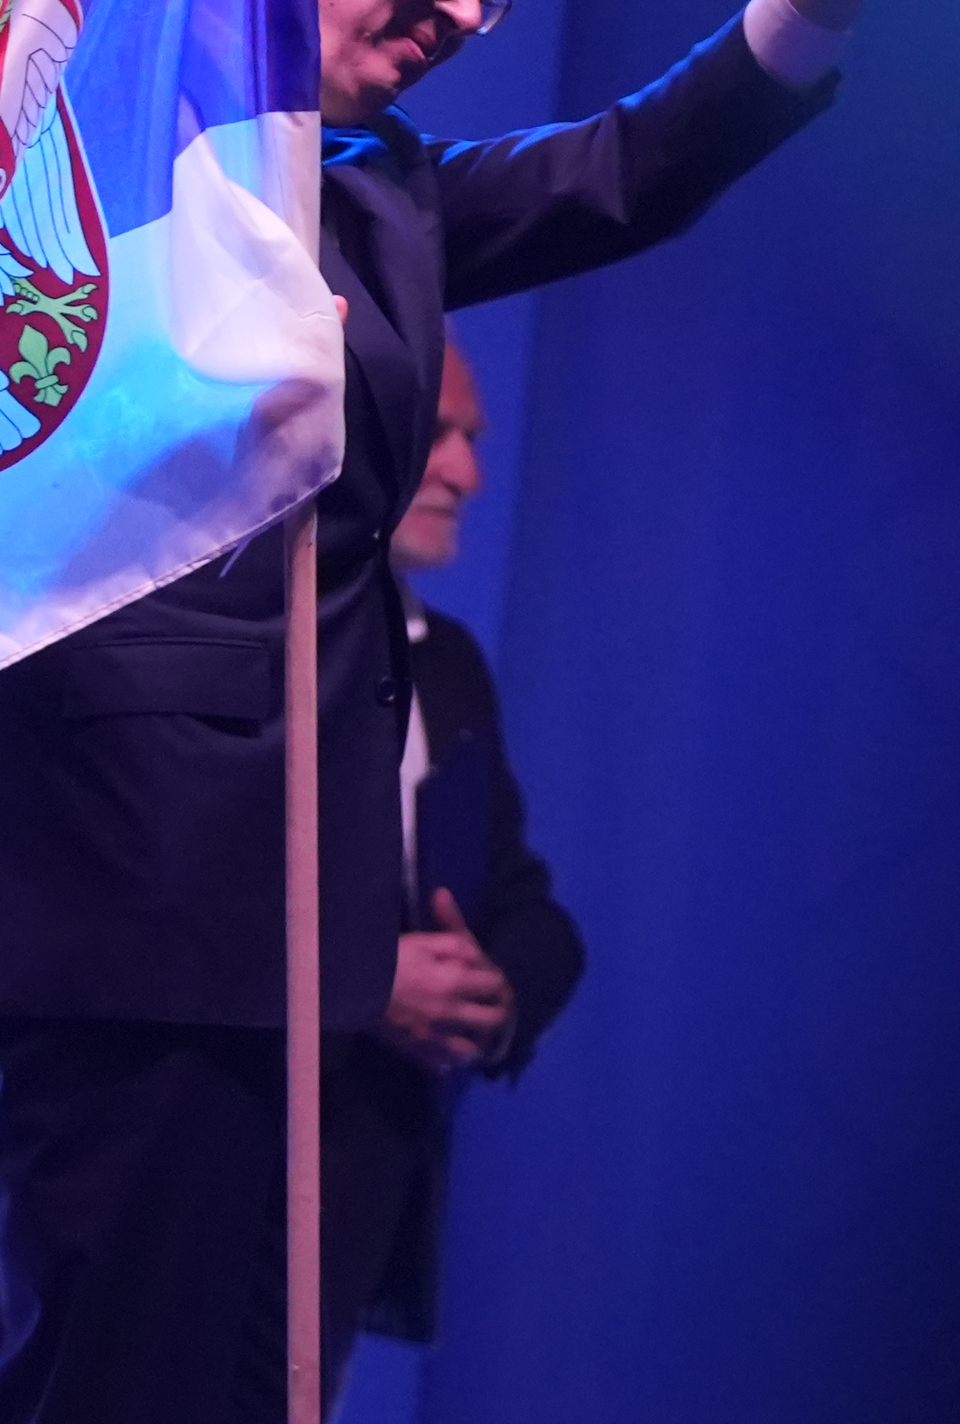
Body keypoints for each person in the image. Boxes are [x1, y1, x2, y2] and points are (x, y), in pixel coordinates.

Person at [0, 0, 954, 1422]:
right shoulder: (92, 112)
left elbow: (624, 170)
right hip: (121, 890)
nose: (463, 11)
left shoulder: (388, 197)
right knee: (114, 1384)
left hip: (282, 937)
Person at [334, 329, 580, 1352]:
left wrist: (489, 994)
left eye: (473, 438)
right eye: (437, 435)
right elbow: (151, 915)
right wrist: (362, 984)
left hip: (356, 1211)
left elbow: (527, 906)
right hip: (203, 1196)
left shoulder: (452, 667)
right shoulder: (223, 664)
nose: (470, 474)